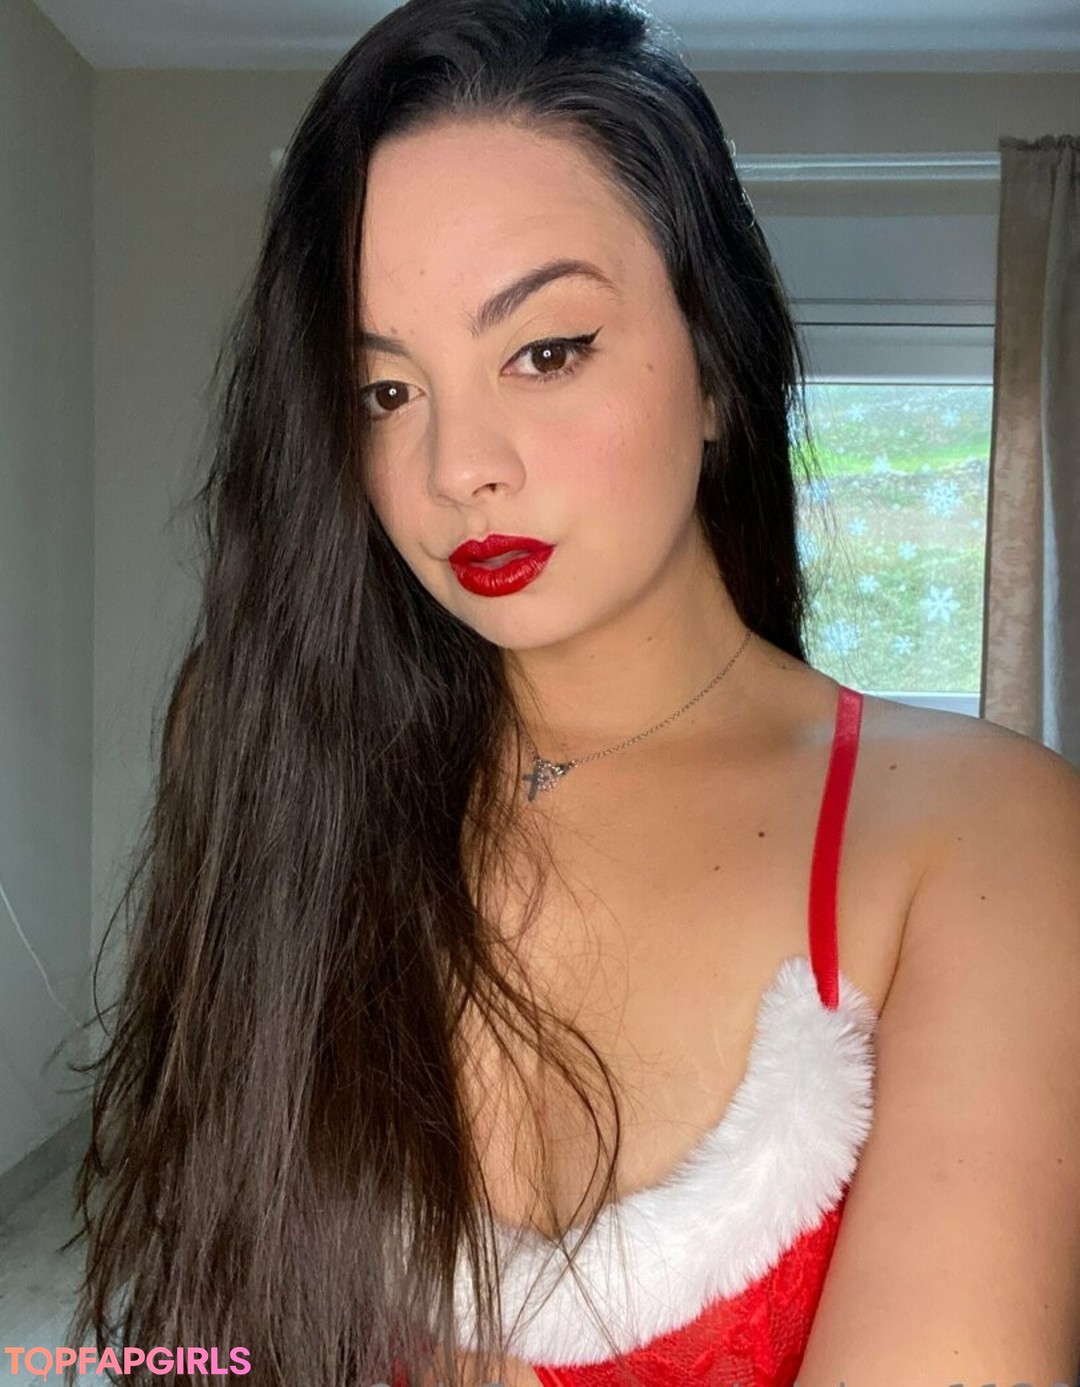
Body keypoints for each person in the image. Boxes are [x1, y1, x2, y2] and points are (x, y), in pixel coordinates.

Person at [66, 0, 1080, 1383]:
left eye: (545, 351)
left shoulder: (984, 836)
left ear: (716, 364)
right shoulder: (269, 752)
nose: (457, 468)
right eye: (384, 392)